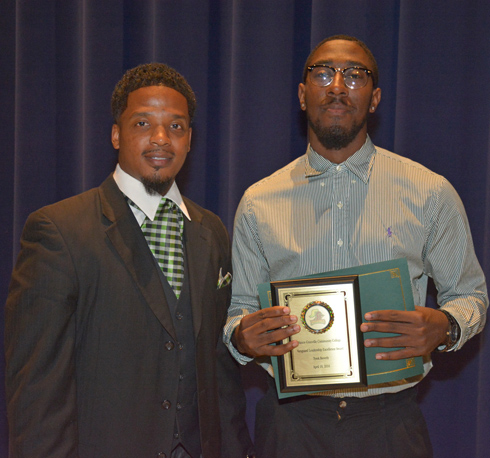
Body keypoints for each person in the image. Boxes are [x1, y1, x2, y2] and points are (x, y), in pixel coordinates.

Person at [224, 35, 488, 458]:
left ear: (375, 97)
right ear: (302, 94)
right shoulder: (259, 201)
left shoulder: (429, 192)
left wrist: (445, 326)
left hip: (391, 424)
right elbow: (239, 311)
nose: (337, 86)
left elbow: (471, 296)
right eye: (323, 73)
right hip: (291, 426)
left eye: (355, 75)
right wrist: (242, 336)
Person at [5, 63, 253, 458]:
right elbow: (36, 386)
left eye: (176, 127)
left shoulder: (212, 230)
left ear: (190, 139)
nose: (161, 139)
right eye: (142, 123)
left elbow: (220, 373)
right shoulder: (59, 230)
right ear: (117, 135)